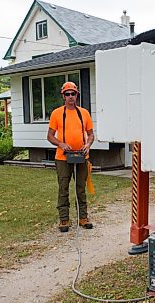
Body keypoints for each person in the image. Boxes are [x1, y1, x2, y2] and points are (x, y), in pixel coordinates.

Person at [47, 82, 94, 232]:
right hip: (62, 158)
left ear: (77, 95)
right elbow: (49, 136)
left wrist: (87, 145)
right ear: (63, 96)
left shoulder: (84, 113)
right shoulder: (56, 113)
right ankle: (64, 220)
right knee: (63, 188)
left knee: (80, 188)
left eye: (73, 93)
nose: (70, 97)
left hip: (81, 156)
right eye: (67, 94)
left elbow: (91, 134)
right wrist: (60, 144)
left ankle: (83, 218)